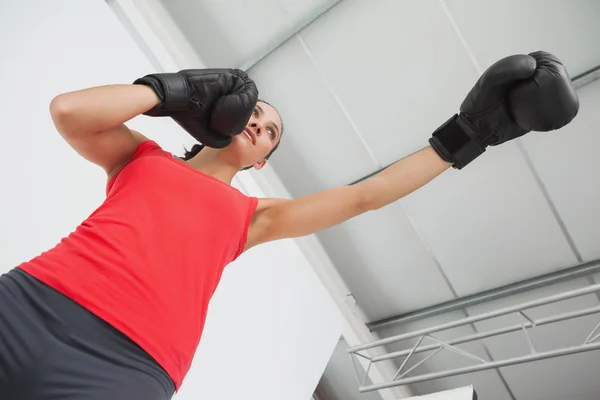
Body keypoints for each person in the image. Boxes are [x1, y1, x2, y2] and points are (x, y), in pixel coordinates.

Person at [0, 51, 579, 400]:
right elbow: (69, 112)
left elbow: (365, 197)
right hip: (29, 306)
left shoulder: (255, 217)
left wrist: (468, 134)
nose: (259, 125)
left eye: (271, 131)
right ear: (216, 119)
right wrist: (171, 91)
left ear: (262, 162)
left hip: (125, 368)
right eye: (253, 113)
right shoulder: (140, 156)